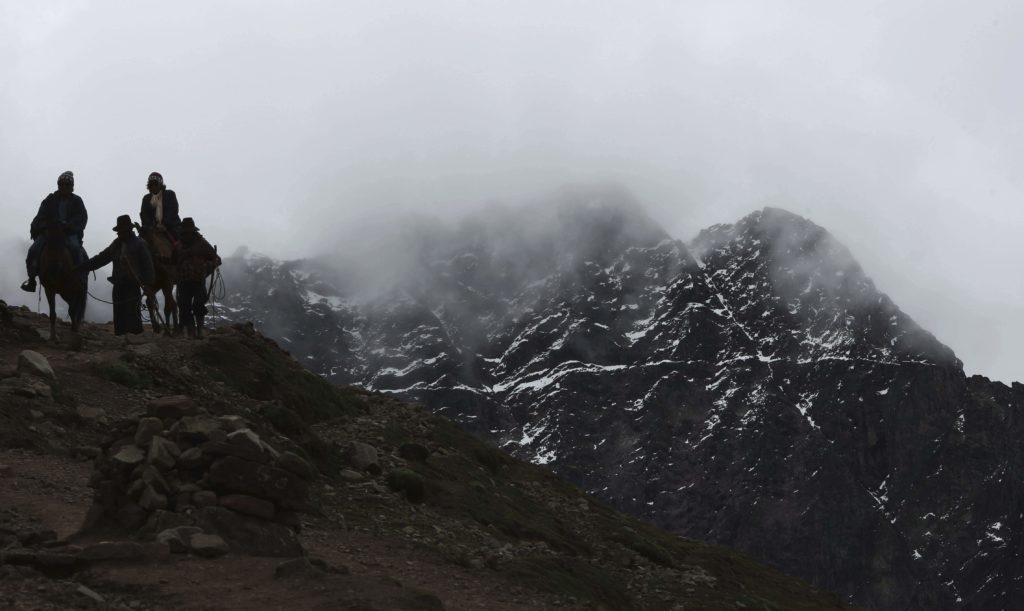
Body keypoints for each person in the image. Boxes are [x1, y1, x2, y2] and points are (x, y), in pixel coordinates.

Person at [79, 215, 155, 336]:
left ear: (129, 230)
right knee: (119, 315)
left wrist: (148, 284)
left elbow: (148, 266)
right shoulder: (116, 245)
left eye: (121, 231)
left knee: (132, 314)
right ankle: (121, 339)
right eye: (118, 231)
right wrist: (82, 267)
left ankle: (134, 339)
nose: (119, 233)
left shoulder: (140, 244)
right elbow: (101, 258)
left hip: (132, 284)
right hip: (118, 284)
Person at [21, 171, 88, 292]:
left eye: (67, 184)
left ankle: (80, 278)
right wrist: (45, 226)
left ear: (72, 187)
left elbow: (82, 217)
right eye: (62, 184)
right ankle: (32, 280)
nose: (64, 187)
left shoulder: (77, 200)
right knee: (33, 250)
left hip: (69, 233)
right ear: (58, 185)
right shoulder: (50, 199)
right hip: (50, 232)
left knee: (76, 249)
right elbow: (40, 215)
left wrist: (68, 225)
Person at [175, 217, 220, 338]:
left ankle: (200, 328)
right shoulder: (178, 245)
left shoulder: (202, 243)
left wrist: (208, 266)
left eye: (188, 232)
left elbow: (216, 259)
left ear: (193, 231)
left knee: (198, 304)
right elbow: (173, 261)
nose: (186, 234)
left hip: (198, 279)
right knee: (184, 306)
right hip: (183, 281)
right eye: (185, 232)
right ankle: (190, 330)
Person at [139, 171, 182, 240]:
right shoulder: (146, 198)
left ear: (160, 184)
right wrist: (150, 226)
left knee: (181, 242)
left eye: (155, 184)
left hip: (171, 227)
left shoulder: (170, 194)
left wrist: (164, 225)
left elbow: (173, 210)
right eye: (151, 184)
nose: (153, 186)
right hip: (152, 228)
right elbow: (144, 214)